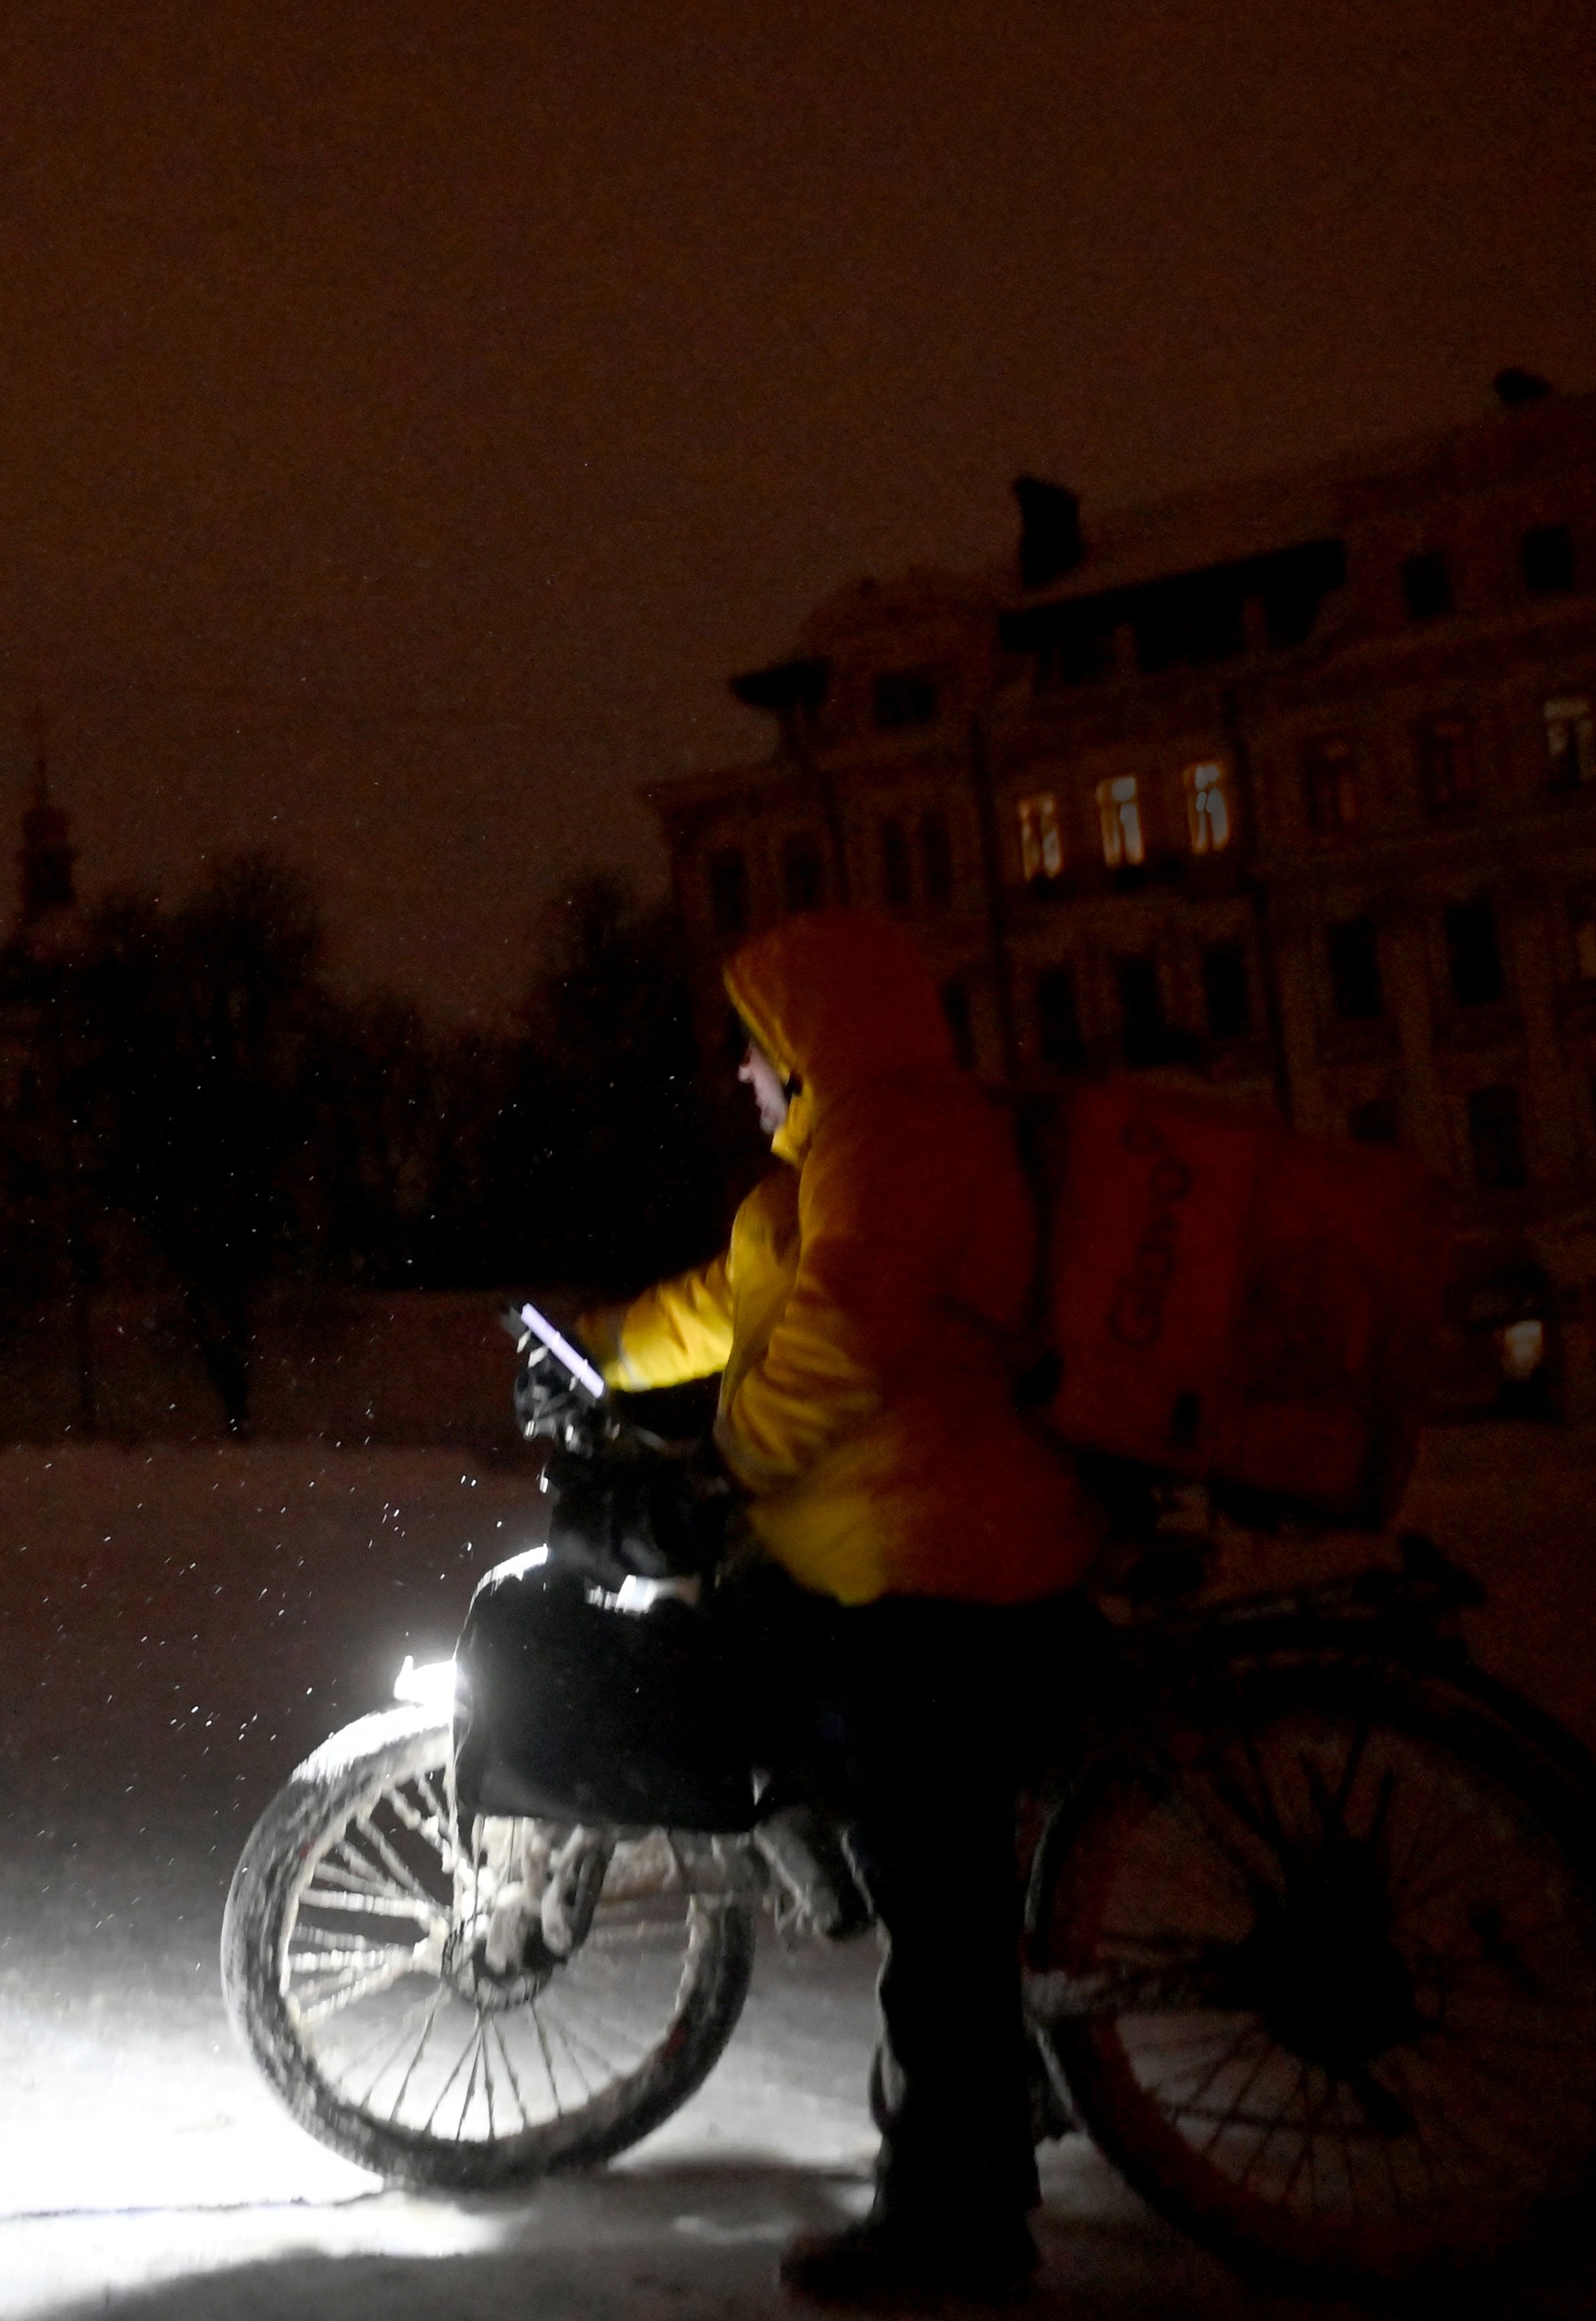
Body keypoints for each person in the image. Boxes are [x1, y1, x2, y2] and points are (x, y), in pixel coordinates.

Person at [583, 908, 1099, 2309]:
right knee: (904, 1848)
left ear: (807, 1043)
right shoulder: (854, 1147)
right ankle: (1003, 2087)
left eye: (753, 1050)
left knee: (934, 1896)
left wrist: (732, 1450)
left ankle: (955, 2219)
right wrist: (608, 1349)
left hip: (937, 1565)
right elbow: (752, 1294)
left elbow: (841, 1332)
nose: (741, 1078)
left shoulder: (895, 1138)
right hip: (891, 1545)